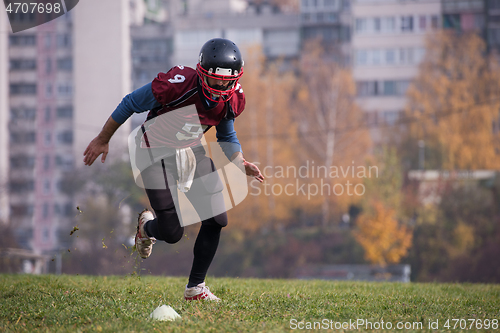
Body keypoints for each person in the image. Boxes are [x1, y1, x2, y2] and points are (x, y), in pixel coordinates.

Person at [83, 38, 264, 301]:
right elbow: (130, 102)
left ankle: (195, 288)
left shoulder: (232, 98)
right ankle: (147, 229)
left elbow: (227, 135)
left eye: (228, 81)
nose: (222, 86)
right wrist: (103, 138)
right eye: (216, 80)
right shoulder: (177, 85)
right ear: (202, 74)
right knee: (172, 232)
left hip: (190, 152)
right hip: (152, 152)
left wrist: (240, 161)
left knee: (217, 219)